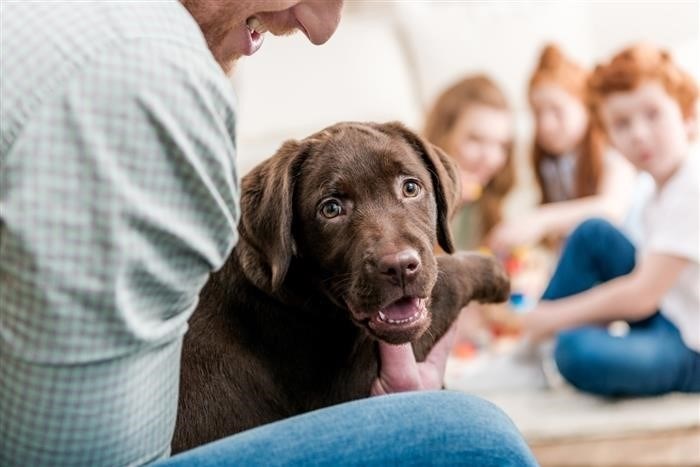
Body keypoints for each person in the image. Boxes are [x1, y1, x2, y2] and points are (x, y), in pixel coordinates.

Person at [0, 2, 536, 466]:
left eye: (410, 190)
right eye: (332, 207)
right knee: (475, 437)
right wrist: (467, 272)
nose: (323, 26)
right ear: (286, 232)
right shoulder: (153, 68)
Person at [520, 43, 700, 396]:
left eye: (653, 114)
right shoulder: (654, 189)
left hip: (692, 347)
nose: (639, 134)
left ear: (688, 117)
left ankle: (540, 336)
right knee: (593, 234)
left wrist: (553, 317)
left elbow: (641, 296)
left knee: (575, 352)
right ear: (609, 138)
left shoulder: (692, 185)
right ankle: (534, 347)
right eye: (621, 124)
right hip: (671, 314)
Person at [488, 44, 637, 254]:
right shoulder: (552, 165)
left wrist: (541, 219)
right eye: (537, 113)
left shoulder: (613, 152)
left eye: (557, 110)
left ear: (586, 107)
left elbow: (611, 209)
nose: (545, 124)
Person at [423, 74, 515, 251]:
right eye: (476, 139)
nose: (491, 158)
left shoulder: (491, 195)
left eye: (502, 145)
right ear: (443, 135)